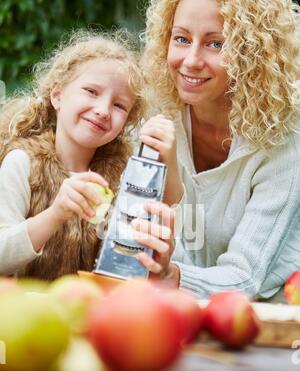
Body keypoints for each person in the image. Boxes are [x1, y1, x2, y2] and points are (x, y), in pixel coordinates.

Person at [137, 0, 300, 301]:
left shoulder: (282, 143)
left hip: (271, 318)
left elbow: (245, 278)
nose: (191, 61)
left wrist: (172, 276)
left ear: (252, 53)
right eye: (181, 39)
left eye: (215, 44)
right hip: (170, 309)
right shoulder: (156, 115)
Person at [0, 30, 171, 280]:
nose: (103, 110)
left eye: (119, 105)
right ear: (57, 96)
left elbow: (131, 263)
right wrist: (55, 214)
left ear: (126, 122)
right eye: (91, 91)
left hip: (94, 313)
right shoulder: (23, 163)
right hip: (26, 310)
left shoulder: (123, 177)